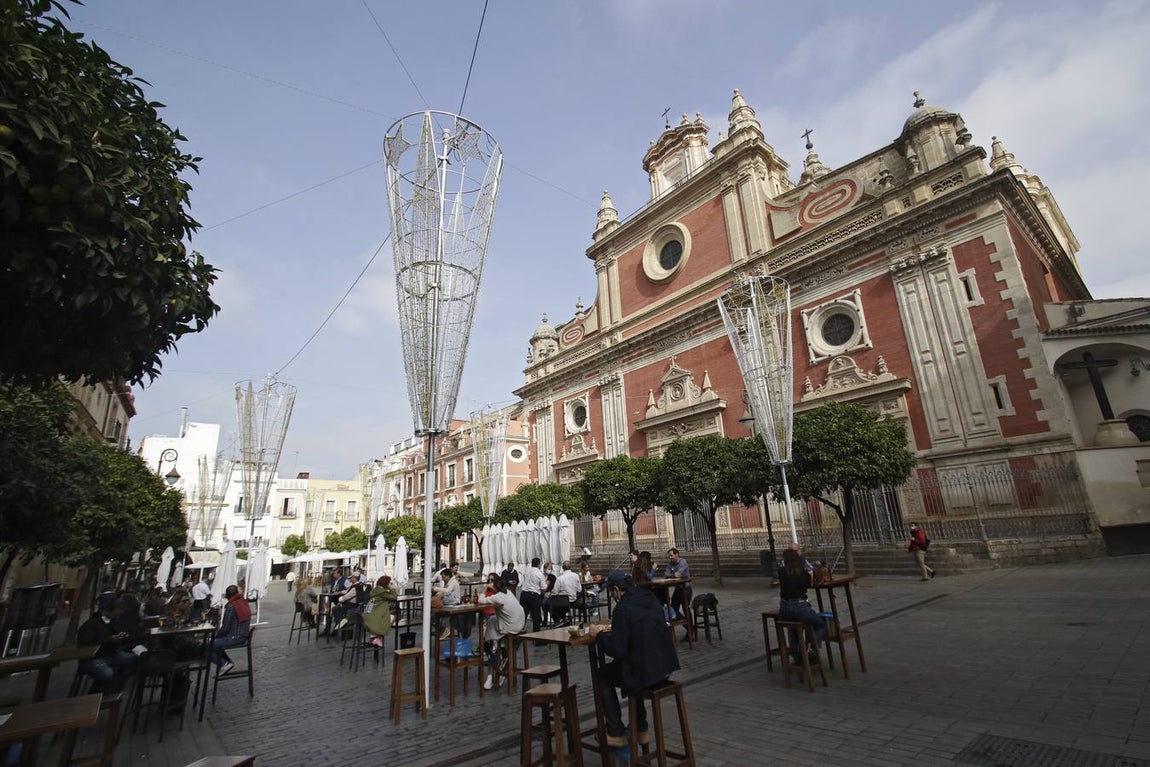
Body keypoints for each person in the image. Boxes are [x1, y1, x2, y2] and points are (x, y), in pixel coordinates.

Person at [588, 570, 680, 747]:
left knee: (603, 675)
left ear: (616, 590)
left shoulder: (623, 608)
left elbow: (617, 649)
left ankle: (615, 732)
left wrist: (598, 635)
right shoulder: (649, 598)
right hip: (665, 666)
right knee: (628, 667)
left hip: (646, 671)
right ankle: (641, 727)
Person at [77, 593, 138, 692]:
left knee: (136, 659)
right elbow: (85, 645)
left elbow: (119, 636)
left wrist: (122, 637)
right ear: (109, 610)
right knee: (107, 673)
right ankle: (98, 692)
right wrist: (109, 640)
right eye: (116, 614)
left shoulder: (112, 622)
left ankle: (115, 685)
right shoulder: (91, 624)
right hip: (93, 659)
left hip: (111, 655)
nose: (117, 617)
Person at [777, 548, 826, 665]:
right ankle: (811, 649)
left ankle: (796, 655)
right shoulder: (802, 573)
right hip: (800, 607)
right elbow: (811, 583)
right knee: (820, 623)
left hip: (783, 609)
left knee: (791, 628)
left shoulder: (781, 572)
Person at [477, 577, 525, 690]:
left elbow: (481, 600)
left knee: (489, 635)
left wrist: (485, 589)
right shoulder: (508, 593)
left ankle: (492, 666)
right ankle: (502, 656)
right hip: (519, 624)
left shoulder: (498, 597)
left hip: (510, 627)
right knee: (492, 621)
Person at [210, 585, 251, 675]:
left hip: (234, 637)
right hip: (243, 636)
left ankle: (224, 663)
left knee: (207, 646)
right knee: (215, 644)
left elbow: (225, 628)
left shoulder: (232, 606)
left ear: (228, 596)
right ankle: (226, 662)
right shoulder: (243, 602)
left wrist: (216, 636)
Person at [361, 575, 398, 647]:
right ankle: (377, 637)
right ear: (386, 583)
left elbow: (370, 605)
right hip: (373, 618)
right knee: (392, 617)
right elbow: (394, 598)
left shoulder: (375, 590)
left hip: (367, 615)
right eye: (389, 583)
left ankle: (375, 637)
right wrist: (392, 588)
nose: (390, 584)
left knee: (385, 618)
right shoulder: (382, 592)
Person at [519, 557, 546, 635]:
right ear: (538, 564)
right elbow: (543, 587)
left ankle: (519, 633)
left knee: (523, 615)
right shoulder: (539, 573)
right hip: (533, 595)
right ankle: (536, 637)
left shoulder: (527, 571)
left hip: (524, 594)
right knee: (536, 617)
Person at [664, 548, 692, 619]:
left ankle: (691, 628)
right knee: (673, 609)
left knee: (685, 608)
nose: (670, 558)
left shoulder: (683, 562)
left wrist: (671, 575)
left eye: (671, 555)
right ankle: (686, 625)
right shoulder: (670, 563)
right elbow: (666, 574)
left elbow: (678, 574)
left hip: (686, 589)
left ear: (676, 554)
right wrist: (674, 575)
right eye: (669, 556)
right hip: (677, 589)